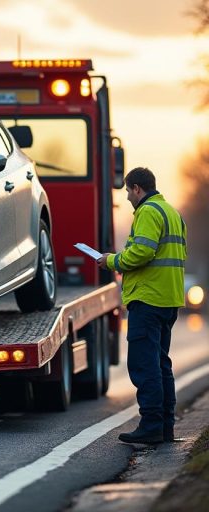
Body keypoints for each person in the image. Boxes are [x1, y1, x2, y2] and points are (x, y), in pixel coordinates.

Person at [97, 167, 187, 444]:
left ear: (137, 188)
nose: (126, 197)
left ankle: (151, 426)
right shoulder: (172, 212)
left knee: (144, 365)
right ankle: (165, 427)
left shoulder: (147, 212)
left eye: (127, 190)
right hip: (168, 299)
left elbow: (143, 252)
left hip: (147, 299)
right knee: (161, 365)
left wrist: (111, 260)